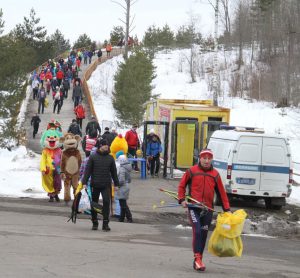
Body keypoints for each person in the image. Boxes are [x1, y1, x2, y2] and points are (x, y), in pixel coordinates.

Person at [177, 149, 231, 272]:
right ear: (200, 158)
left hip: (208, 209)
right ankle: (197, 259)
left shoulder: (215, 174)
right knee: (197, 231)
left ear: (212, 159)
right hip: (194, 207)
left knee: (204, 234)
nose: (206, 161)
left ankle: (198, 259)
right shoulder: (192, 171)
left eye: (209, 158)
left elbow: (222, 194)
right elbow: (181, 186)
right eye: (204, 158)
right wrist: (182, 200)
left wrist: (227, 209)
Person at [81, 138, 120, 232]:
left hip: (106, 184)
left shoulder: (110, 158)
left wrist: (116, 184)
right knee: (94, 204)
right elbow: (88, 171)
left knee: (107, 202)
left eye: (107, 145)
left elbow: (114, 172)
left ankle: (105, 223)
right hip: (95, 184)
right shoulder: (93, 157)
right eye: (104, 145)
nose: (107, 146)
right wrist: (84, 182)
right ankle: (94, 222)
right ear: (100, 146)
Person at [115, 154, 133, 223]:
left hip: (122, 187)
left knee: (123, 204)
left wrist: (117, 185)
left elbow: (121, 180)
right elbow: (129, 179)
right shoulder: (127, 167)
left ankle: (129, 217)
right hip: (126, 186)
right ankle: (121, 218)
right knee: (122, 203)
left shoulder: (122, 168)